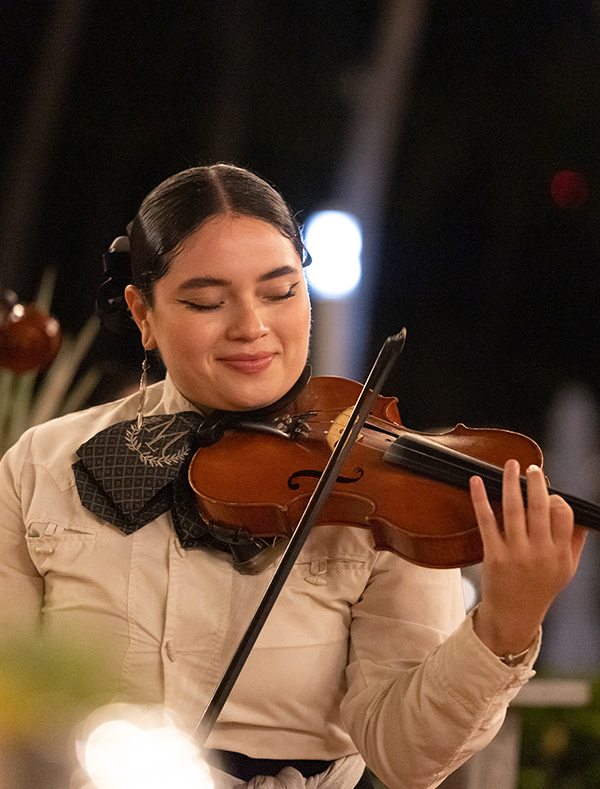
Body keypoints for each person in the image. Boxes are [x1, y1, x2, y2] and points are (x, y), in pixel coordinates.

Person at [0, 163, 586, 789]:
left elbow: (407, 755)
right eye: (205, 301)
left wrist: (508, 623)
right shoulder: (44, 465)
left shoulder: (381, 489)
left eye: (281, 292)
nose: (251, 326)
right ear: (142, 313)